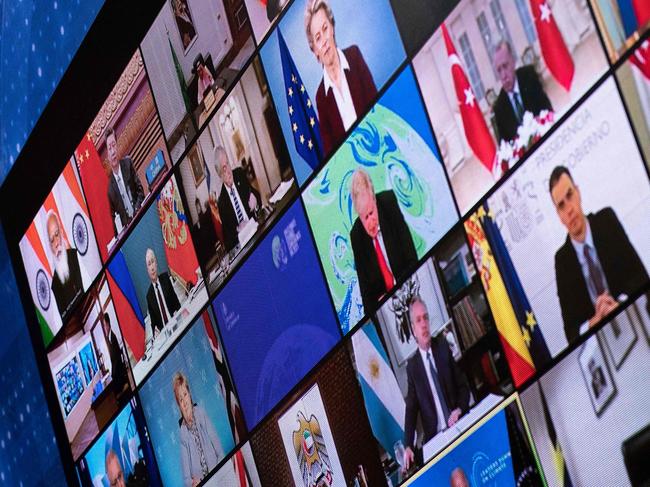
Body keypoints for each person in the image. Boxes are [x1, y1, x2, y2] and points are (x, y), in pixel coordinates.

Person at [549, 165, 649, 344]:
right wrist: (594, 322)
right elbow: (571, 333)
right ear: (559, 215)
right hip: (603, 344)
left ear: (578, 193)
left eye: (570, 195)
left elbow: (641, 277)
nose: (569, 209)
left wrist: (620, 306)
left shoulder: (606, 221)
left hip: (635, 319)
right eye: (561, 205)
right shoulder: (562, 262)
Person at [402, 297, 470, 471]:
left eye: (425, 318)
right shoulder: (413, 367)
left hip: (458, 427)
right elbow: (411, 410)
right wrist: (408, 445)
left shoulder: (442, 348)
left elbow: (463, 386)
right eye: (418, 320)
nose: (424, 324)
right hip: (436, 441)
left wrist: (459, 409)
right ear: (413, 329)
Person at [305, 0, 377, 155]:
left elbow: (376, 107)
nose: (324, 40)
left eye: (325, 29)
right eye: (318, 38)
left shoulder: (354, 56)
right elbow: (331, 152)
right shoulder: (320, 97)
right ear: (315, 50)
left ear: (333, 28)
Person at [349, 169, 418, 312]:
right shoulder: (356, 236)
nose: (370, 222)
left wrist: (402, 292)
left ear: (374, 199)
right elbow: (367, 298)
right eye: (364, 217)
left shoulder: (389, 203)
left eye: (371, 213)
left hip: (411, 292)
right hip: (388, 311)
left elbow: (412, 259)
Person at [492, 40, 553, 143]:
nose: (503, 75)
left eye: (505, 66)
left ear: (513, 62)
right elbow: (505, 145)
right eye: (499, 70)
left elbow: (547, 111)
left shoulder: (529, 76)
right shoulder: (499, 107)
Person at [173, 372, 224, 487]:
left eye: (185, 395)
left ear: (190, 394)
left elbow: (219, 451)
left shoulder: (201, 413)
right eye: (180, 400)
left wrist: (217, 472)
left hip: (217, 476)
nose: (184, 402)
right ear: (179, 405)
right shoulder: (182, 433)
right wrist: (193, 483)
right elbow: (186, 478)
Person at [213, 146, 260, 253]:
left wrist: (255, 200)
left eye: (228, 164)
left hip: (256, 230)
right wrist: (238, 230)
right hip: (244, 247)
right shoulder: (222, 203)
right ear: (219, 174)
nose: (228, 171)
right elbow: (228, 242)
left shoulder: (239, 174)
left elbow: (256, 195)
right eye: (224, 168)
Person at [106, 127, 145, 235]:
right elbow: (115, 223)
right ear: (107, 156)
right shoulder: (110, 190)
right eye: (109, 148)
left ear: (117, 147)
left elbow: (140, 190)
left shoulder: (128, 164)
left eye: (114, 145)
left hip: (141, 216)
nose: (113, 151)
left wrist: (137, 210)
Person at [47, 210, 85, 318]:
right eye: (52, 240)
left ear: (62, 233)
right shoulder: (54, 284)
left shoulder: (75, 256)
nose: (56, 243)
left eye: (57, 234)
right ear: (50, 247)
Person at [145, 248, 181, 337]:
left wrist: (178, 314)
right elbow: (154, 325)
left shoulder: (166, 278)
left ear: (156, 263)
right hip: (165, 335)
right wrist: (155, 331)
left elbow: (177, 304)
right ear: (147, 270)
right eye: (149, 264)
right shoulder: (149, 296)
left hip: (176, 324)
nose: (152, 267)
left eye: (153, 262)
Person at [102, 313, 127, 394]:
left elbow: (116, 360)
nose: (104, 328)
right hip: (116, 368)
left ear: (108, 325)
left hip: (119, 371)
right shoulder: (108, 338)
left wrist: (112, 374)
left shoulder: (113, 338)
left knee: (113, 390)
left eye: (105, 325)